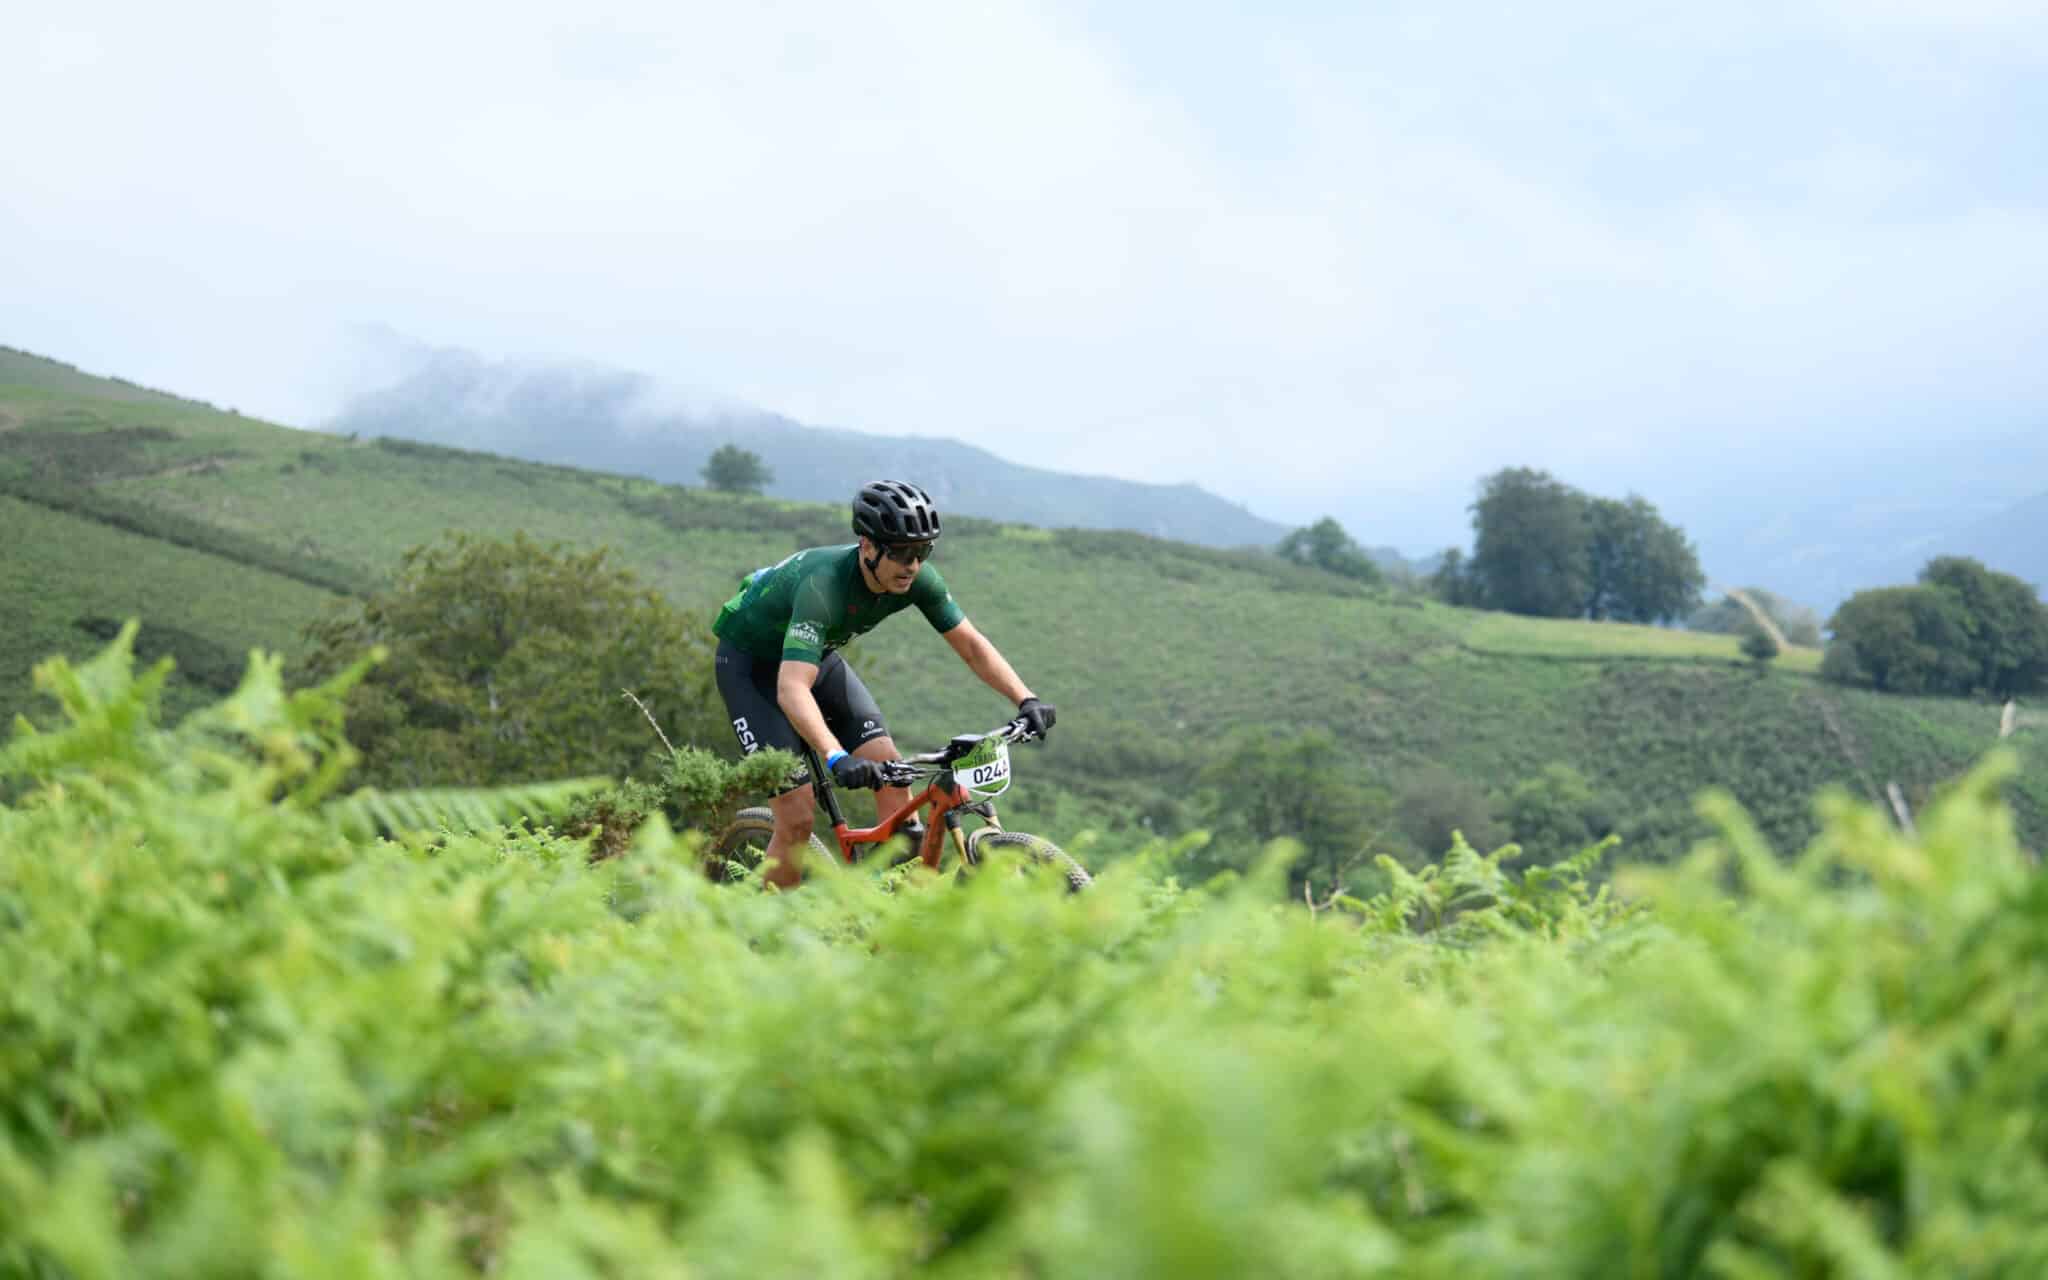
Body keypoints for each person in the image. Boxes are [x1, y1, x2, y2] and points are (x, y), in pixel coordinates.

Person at [711, 479, 1056, 888]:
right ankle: (761, 933)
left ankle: (875, 911)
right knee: (798, 816)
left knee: (893, 774)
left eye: (922, 551)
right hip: (751, 668)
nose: (912, 565)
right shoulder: (823, 587)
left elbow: (971, 645)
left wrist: (1026, 699)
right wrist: (836, 756)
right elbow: (791, 688)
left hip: (813, 657)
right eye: (901, 552)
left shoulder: (919, 580)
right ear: (868, 546)